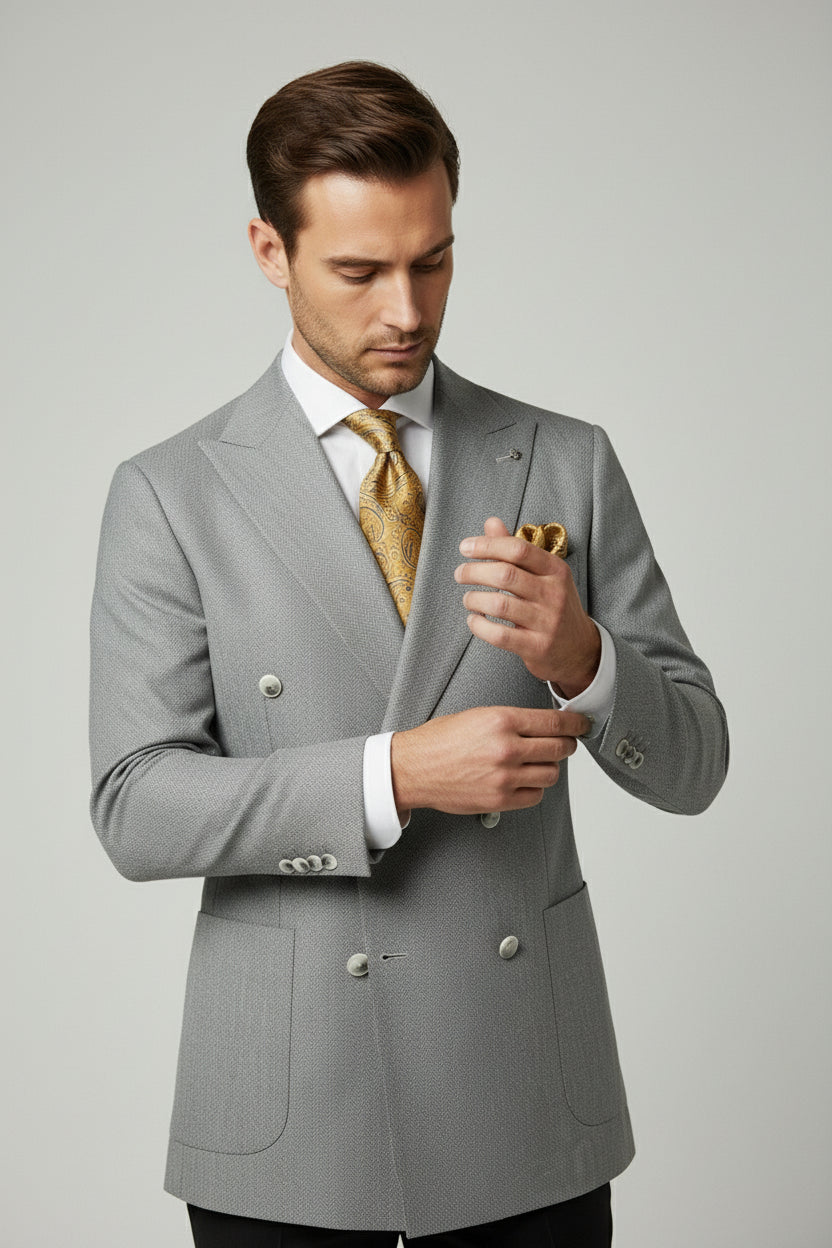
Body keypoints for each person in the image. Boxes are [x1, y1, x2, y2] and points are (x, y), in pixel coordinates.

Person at [88, 60, 728, 1248]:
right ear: (269, 252)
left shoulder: (564, 460)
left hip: (522, 1102)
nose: (406, 309)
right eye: (359, 270)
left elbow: (693, 767)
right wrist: (394, 775)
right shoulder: (173, 495)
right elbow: (137, 809)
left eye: (432, 260)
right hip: (291, 1120)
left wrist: (585, 656)